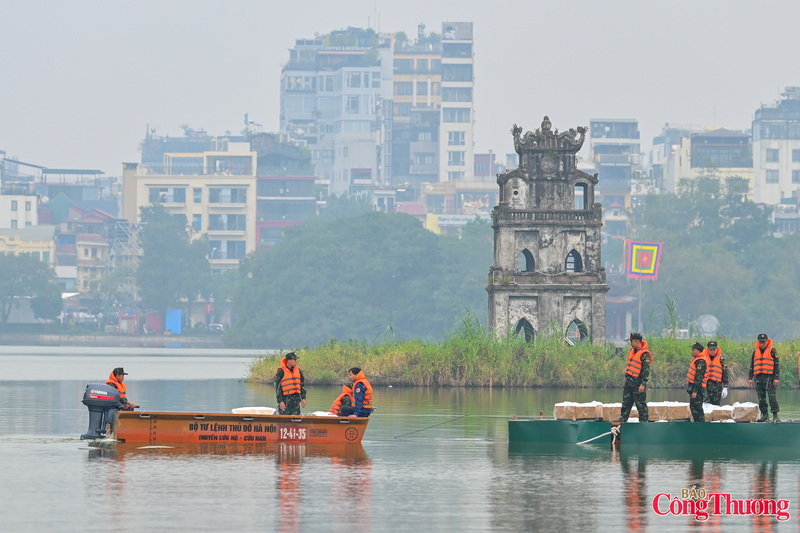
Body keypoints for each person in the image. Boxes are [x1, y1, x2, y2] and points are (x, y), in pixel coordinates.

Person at [617, 333, 651, 423]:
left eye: (631, 342)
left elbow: (646, 371)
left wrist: (643, 384)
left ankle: (643, 423)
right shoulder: (633, 352)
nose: (630, 344)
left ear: (637, 341)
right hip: (629, 383)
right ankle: (622, 421)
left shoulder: (645, 354)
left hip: (638, 384)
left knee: (641, 405)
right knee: (626, 404)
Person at [748, 333, 780, 423]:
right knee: (761, 398)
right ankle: (764, 414)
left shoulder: (772, 351)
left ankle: (775, 415)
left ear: (767, 341)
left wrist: (776, 378)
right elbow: (752, 366)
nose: (762, 344)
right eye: (760, 342)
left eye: (763, 342)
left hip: (769, 377)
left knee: (772, 397)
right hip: (758, 377)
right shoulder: (755, 352)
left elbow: (777, 366)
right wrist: (750, 378)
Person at [686, 342, 709, 422]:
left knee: (697, 409)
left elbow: (699, 377)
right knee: (693, 408)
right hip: (693, 388)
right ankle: (697, 425)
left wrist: (695, 391)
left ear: (699, 351)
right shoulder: (696, 360)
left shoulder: (701, 362)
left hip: (698, 389)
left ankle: (701, 426)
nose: (692, 352)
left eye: (694, 350)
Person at [702, 340, 728, 405]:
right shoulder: (703, 358)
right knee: (704, 404)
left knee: (715, 405)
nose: (712, 351)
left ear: (717, 348)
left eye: (714, 349)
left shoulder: (722, 358)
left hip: (716, 386)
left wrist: (725, 387)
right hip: (705, 385)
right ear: (708, 349)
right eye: (710, 349)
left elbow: (725, 373)